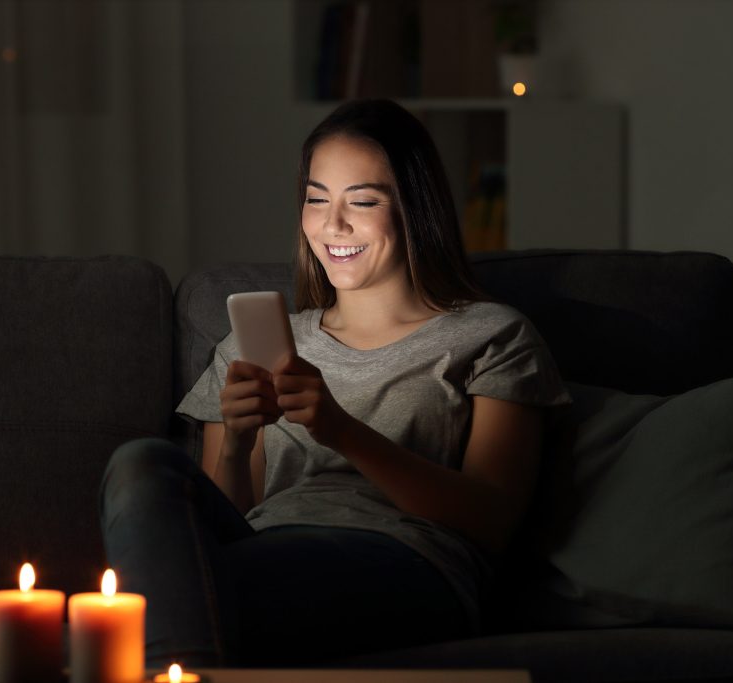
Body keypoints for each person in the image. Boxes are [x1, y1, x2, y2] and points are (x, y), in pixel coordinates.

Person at [99, 99, 570, 668]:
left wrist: (340, 429)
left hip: (407, 560)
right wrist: (240, 443)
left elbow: (492, 521)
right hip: (263, 546)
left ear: (415, 210)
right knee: (140, 464)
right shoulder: (253, 344)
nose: (332, 225)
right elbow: (229, 515)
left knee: (190, 590)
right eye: (316, 199)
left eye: (362, 201)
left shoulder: (492, 335)